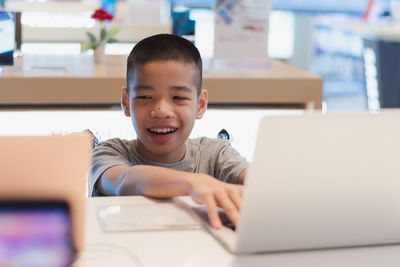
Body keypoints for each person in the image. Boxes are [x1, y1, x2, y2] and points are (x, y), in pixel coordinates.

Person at [91, 34, 248, 229]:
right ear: (126, 102)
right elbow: (124, 181)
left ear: (200, 104)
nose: (161, 111)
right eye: (146, 96)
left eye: (178, 97)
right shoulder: (110, 152)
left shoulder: (216, 154)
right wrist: (192, 183)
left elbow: (260, 180)